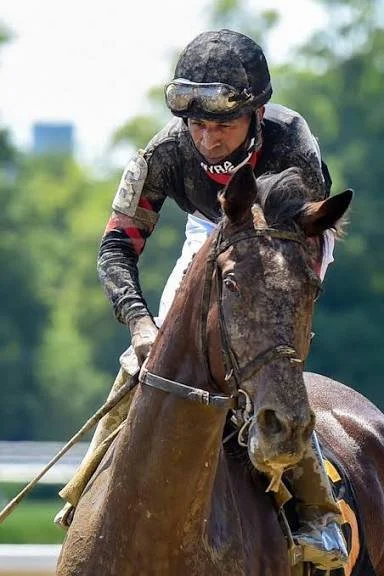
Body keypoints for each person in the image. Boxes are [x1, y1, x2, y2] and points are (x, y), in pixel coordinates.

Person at [55, 29, 348, 570]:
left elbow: (297, 236)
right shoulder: (164, 151)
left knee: (259, 345)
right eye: (198, 125)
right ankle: (88, 490)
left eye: (222, 124)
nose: (207, 139)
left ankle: (317, 512)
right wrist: (141, 325)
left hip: (288, 234)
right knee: (150, 354)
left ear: (256, 113)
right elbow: (117, 246)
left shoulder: (292, 143)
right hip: (206, 225)